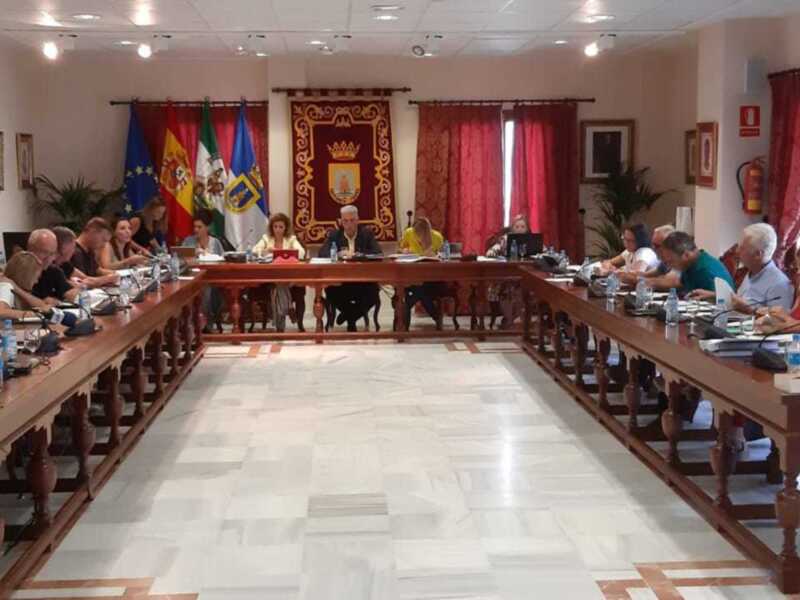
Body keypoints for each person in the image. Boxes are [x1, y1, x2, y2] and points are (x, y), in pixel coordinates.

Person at [690, 223, 793, 312]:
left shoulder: (779, 284)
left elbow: (780, 322)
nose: (737, 251)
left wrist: (751, 310)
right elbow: (741, 301)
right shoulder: (751, 271)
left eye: (742, 248)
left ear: (758, 254)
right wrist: (714, 296)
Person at [319, 205, 382, 331]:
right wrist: (337, 254)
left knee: (374, 292)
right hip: (341, 281)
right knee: (330, 291)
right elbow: (322, 254)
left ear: (358, 220)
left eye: (352, 220)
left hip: (363, 280)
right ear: (341, 221)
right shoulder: (334, 235)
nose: (349, 224)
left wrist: (360, 255)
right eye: (345, 221)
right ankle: (351, 318)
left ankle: (348, 316)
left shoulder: (367, 234)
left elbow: (378, 253)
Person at [252, 213, 306, 332]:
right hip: (270, 276)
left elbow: (302, 253)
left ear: (285, 228)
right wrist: (266, 250)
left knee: (280, 285)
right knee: (280, 283)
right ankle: (289, 308)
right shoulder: (266, 238)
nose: (278, 230)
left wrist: (287, 251)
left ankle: (280, 326)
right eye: (275, 226)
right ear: (272, 227)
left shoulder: (291, 239)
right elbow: (255, 251)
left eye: (281, 227)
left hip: (288, 276)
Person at [183, 211, 225, 333]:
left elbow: (223, 261)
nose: (196, 230)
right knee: (200, 288)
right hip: (192, 279)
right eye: (194, 227)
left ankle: (204, 322)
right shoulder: (188, 242)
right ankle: (196, 323)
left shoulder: (215, 242)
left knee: (207, 289)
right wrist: (191, 256)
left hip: (213, 279)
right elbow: (181, 261)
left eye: (199, 227)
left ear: (208, 227)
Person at [400, 217, 445, 327]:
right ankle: (437, 318)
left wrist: (436, 255)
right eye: (417, 233)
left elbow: (444, 256)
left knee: (420, 291)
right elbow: (401, 249)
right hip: (412, 276)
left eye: (421, 234)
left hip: (432, 278)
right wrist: (404, 251)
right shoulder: (409, 233)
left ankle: (404, 319)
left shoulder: (437, 237)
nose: (419, 237)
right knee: (419, 290)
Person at [486, 214, 530, 328]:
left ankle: (521, 321)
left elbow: (543, 251)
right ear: (512, 228)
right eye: (517, 226)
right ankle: (509, 320)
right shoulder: (505, 238)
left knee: (523, 290)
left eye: (522, 227)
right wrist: (492, 252)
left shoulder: (532, 239)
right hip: (505, 276)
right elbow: (494, 249)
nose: (520, 229)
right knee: (507, 290)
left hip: (525, 276)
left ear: (526, 229)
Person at [659, 231, 733, 294]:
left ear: (686, 255)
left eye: (671, 261)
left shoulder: (706, 271)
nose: (669, 266)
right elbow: (681, 285)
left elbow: (724, 301)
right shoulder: (689, 265)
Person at [31, 229, 79, 304]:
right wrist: (42, 302)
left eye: (52, 253)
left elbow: (71, 293)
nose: (48, 258)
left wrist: (74, 292)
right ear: (30, 250)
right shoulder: (20, 272)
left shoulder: (54, 271)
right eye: (44, 252)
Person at [0, 251, 50, 320]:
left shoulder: (13, 287)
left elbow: (43, 306)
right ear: (26, 276)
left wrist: (17, 289)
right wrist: (32, 314)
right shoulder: (6, 286)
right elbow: (1, 312)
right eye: (36, 278)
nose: (36, 282)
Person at [71, 218, 119, 282]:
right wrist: (106, 279)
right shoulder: (75, 252)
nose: (104, 245)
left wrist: (116, 274)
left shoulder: (89, 250)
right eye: (103, 240)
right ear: (93, 231)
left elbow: (97, 270)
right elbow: (83, 280)